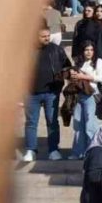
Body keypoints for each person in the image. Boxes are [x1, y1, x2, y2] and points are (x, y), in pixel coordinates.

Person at [24, 27, 71, 161]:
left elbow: (67, 67)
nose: (47, 38)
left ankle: (53, 150)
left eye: (48, 35)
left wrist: (62, 78)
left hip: (52, 93)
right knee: (31, 123)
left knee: (52, 122)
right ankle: (31, 150)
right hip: (31, 93)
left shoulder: (56, 50)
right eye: (43, 36)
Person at [68, 42, 102, 160]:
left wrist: (83, 76)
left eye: (91, 50)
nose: (89, 52)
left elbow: (101, 78)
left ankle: (94, 153)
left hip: (91, 95)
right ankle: (78, 152)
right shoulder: (79, 62)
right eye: (86, 50)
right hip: (78, 94)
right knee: (78, 125)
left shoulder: (98, 61)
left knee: (90, 125)